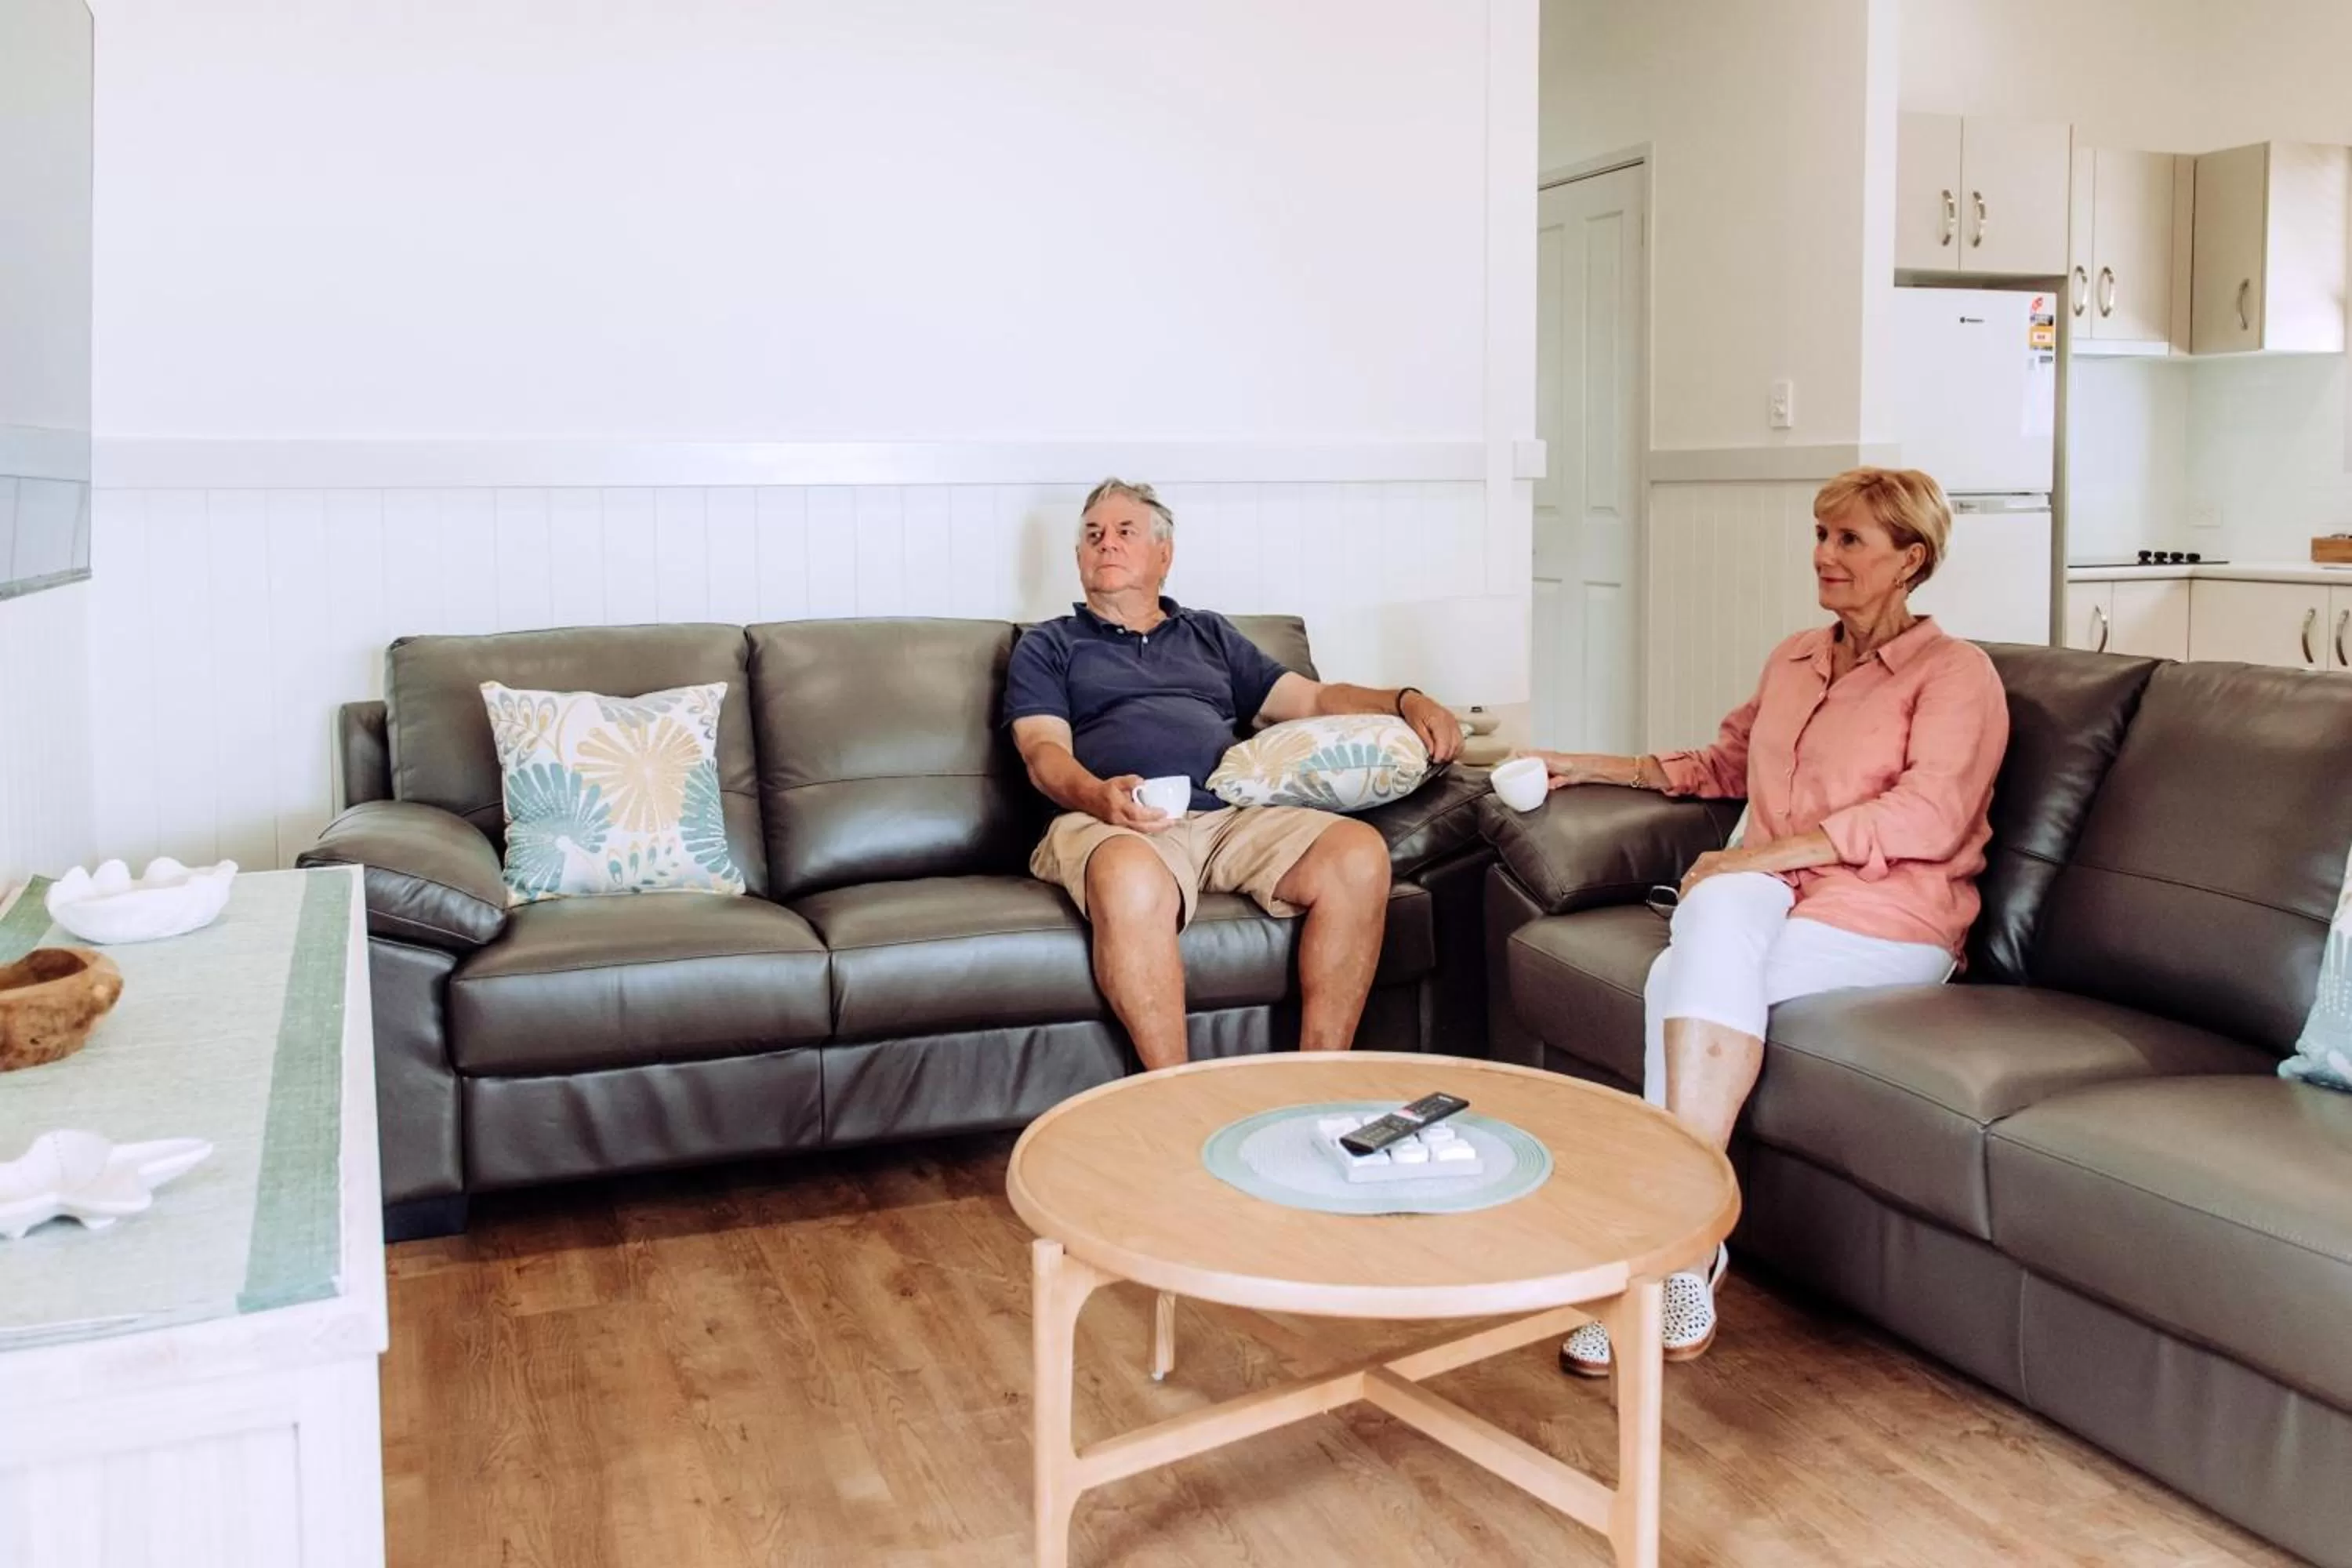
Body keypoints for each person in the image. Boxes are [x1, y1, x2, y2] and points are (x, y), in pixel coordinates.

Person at [1526, 466, 2009, 1376]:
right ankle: (1685, 1247)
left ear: (1911, 559)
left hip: (1889, 921)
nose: (1824, 555)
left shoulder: (1957, 675)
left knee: (1687, 962)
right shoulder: (1795, 657)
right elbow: (1721, 762)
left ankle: (1666, 1244)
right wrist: (1579, 764)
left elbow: (1929, 817)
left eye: (1850, 540)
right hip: (1774, 901)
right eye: (1820, 535)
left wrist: (1757, 856)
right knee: (1709, 928)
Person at [1005, 477, 1465, 1071]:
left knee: (1357, 853)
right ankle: (1175, 1095)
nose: (1106, 545)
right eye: (1092, 536)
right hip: (1114, 821)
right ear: (1077, 558)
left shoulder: (1209, 634)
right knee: (1130, 876)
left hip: (1226, 816)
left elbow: (1312, 701)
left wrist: (1405, 699)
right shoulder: (1050, 645)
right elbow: (1042, 751)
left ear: (1164, 554)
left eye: (1125, 532)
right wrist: (1098, 796)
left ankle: (1314, 1082)